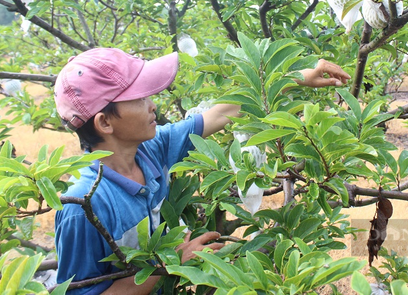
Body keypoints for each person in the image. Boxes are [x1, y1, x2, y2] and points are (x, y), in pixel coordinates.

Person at [53, 47, 350, 294]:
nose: (152, 105)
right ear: (105, 123)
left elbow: (222, 112)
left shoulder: (153, 149)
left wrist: (295, 77)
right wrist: (170, 264)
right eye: (140, 98)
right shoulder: (83, 207)